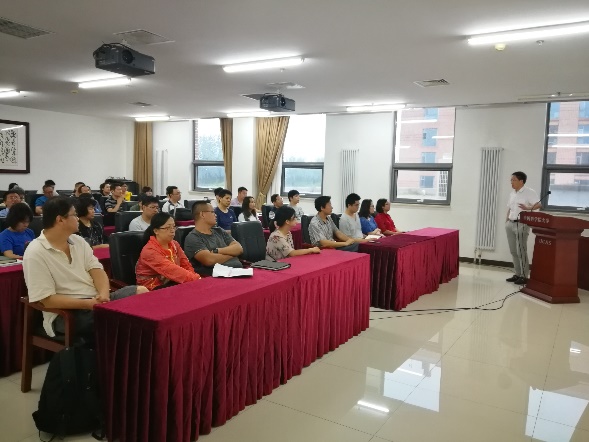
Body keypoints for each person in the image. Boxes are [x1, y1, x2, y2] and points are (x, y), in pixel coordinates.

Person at [22, 197, 148, 339]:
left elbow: (97, 270)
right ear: (60, 220)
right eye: (74, 215)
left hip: (96, 301)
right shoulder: (35, 252)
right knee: (120, 319)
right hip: (67, 313)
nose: (78, 219)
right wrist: (88, 304)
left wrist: (104, 295)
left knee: (141, 293)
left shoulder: (78, 241)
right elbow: (47, 300)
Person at [135, 212, 200, 290]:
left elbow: (186, 264)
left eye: (173, 227)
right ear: (156, 231)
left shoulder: (175, 244)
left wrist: (195, 278)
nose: (172, 231)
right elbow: (172, 270)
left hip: (172, 281)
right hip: (152, 287)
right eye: (168, 228)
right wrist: (196, 279)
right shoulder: (150, 251)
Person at [184, 201, 243, 276]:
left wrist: (217, 251)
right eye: (212, 212)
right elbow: (209, 260)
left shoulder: (219, 231)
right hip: (216, 278)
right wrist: (233, 255)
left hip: (238, 272)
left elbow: (239, 248)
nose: (215, 215)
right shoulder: (193, 237)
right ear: (202, 214)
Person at [505, 171, 541, 285]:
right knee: (513, 250)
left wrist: (527, 208)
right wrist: (506, 220)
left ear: (521, 181)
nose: (511, 182)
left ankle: (524, 276)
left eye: (514, 180)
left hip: (521, 224)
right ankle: (517, 274)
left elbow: (539, 205)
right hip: (510, 223)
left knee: (521, 250)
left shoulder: (529, 192)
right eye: (511, 180)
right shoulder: (512, 193)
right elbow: (510, 208)